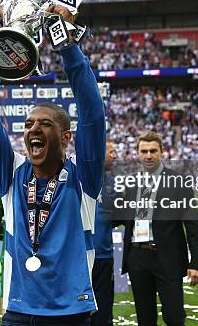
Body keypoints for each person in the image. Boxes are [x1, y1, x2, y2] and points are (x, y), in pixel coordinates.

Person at [0, 5, 106, 325]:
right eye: (29, 124)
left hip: (70, 313)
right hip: (18, 312)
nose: (33, 129)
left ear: (66, 136)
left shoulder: (83, 177)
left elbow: (93, 117)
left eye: (44, 124)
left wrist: (68, 47)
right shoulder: (11, 173)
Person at [119, 131, 198, 326]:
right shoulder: (131, 183)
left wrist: (196, 262)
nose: (148, 155)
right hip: (138, 258)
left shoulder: (178, 182)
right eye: (144, 151)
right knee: (145, 318)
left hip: (168, 258)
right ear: (137, 153)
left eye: (153, 151)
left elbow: (193, 225)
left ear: (161, 152)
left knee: (174, 317)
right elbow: (121, 215)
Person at [91, 140, 117, 326]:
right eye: (111, 151)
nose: (114, 156)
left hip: (104, 255)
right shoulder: (82, 178)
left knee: (104, 310)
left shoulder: (113, 181)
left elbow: (118, 215)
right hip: (80, 256)